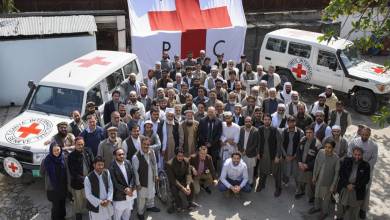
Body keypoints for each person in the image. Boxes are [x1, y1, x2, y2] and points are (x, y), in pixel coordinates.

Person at [347, 127, 378, 219]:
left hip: (366, 171)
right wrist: (354, 162)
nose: (364, 136)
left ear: (369, 135)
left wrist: (365, 167)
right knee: (353, 187)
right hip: (354, 168)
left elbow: (374, 159)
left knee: (365, 190)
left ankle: (363, 210)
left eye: (366, 135)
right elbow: (349, 153)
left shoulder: (374, 145)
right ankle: (350, 205)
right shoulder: (354, 142)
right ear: (360, 133)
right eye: (363, 134)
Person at [336, 146, 371, 220]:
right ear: (352, 154)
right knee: (341, 205)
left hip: (357, 190)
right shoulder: (346, 161)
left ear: (362, 155)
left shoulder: (366, 165)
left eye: (359, 155)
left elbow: (366, 180)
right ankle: (339, 217)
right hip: (345, 188)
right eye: (355, 154)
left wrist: (354, 186)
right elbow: (341, 174)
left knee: (354, 209)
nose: (357, 157)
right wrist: (347, 184)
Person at [309, 140, 340, 219]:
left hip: (327, 182)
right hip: (318, 179)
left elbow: (337, 173)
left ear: (333, 148)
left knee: (326, 199)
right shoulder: (321, 152)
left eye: (329, 147)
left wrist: (333, 186)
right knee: (317, 195)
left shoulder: (336, 158)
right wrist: (314, 176)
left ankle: (325, 212)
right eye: (325, 147)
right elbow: (316, 164)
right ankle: (316, 207)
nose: (327, 149)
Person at [132, 137, 160, 219]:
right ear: (141, 144)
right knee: (142, 198)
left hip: (151, 178)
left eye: (148, 144)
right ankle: (140, 213)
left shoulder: (152, 152)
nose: (146, 146)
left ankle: (150, 206)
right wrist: (138, 184)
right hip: (142, 181)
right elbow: (135, 172)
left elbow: (154, 164)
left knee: (151, 193)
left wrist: (156, 175)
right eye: (144, 144)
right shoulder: (136, 157)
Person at [68, 137, 94, 220]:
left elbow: (93, 164)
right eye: (78, 144)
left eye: (82, 144)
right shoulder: (71, 156)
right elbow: (73, 172)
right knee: (78, 201)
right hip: (77, 183)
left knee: (88, 198)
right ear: (74, 145)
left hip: (89, 180)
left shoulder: (88, 151)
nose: (80, 146)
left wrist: (90, 178)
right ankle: (78, 215)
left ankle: (90, 213)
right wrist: (84, 180)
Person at [256, 114, 283, 197]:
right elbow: (258, 142)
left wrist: (278, 156)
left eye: (268, 119)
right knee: (262, 171)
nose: (267, 121)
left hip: (273, 155)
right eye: (265, 119)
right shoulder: (260, 129)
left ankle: (278, 188)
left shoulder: (275, 130)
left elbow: (279, 144)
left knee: (276, 173)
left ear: (271, 121)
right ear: (263, 120)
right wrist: (257, 153)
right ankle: (261, 185)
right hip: (263, 154)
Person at [40, 143, 68, 220]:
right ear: (51, 151)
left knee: (62, 204)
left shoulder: (64, 158)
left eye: (58, 150)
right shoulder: (46, 160)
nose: (57, 152)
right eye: (54, 150)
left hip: (62, 187)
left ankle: (62, 217)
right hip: (53, 189)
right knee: (56, 206)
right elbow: (41, 173)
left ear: (60, 149)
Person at [166, 147, 197, 213]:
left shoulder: (186, 161)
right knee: (174, 188)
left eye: (182, 156)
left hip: (183, 180)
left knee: (191, 182)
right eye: (179, 156)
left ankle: (190, 202)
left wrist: (188, 185)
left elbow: (188, 174)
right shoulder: (169, 164)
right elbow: (173, 180)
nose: (181, 158)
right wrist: (183, 188)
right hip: (174, 182)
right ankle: (179, 205)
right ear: (175, 155)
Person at [109, 148, 136, 220]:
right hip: (119, 197)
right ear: (115, 156)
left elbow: (133, 176)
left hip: (130, 196)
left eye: (123, 154)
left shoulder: (128, 162)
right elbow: (115, 182)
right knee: (117, 217)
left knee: (127, 215)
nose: (122, 156)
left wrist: (130, 188)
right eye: (119, 154)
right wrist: (125, 190)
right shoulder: (111, 167)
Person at [296, 126, 321, 202]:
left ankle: (311, 197)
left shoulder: (318, 144)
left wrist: (308, 165)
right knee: (300, 180)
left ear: (314, 133)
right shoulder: (303, 139)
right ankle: (300, 192)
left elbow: (318, 159)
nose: (308, 134)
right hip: (301, 165)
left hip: (310, 168)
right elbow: (298, 151)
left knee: (310, 183)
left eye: (310, 132)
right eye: (307, 132)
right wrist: (299, 162)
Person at [280, 116, 304, 191]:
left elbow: (301, 147)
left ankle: (298, 187)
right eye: (289, 122)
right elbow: (281, 144)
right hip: (286, 156)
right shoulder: (284, 131)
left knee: (296, 172)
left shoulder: (300, 132)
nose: (291, 123)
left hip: (295, 156)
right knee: (285, 169)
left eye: (292, 122)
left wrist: (293, 157)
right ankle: (285, 181)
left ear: (295, 122)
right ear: (287, 123)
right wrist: (285, 155)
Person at [238, 116, 259, 186]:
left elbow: (255, 144)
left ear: (252, 122)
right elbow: (239, 141)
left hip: (251, 154)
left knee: (250, 169)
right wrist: (241, 150)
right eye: (246, 121)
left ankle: (250, 182)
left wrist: (246, 151)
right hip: (241, 152)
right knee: (242, 168)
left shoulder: (255, 131)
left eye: (249, 121)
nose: (247, 123)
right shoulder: (241, 129)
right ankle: (242, 181)